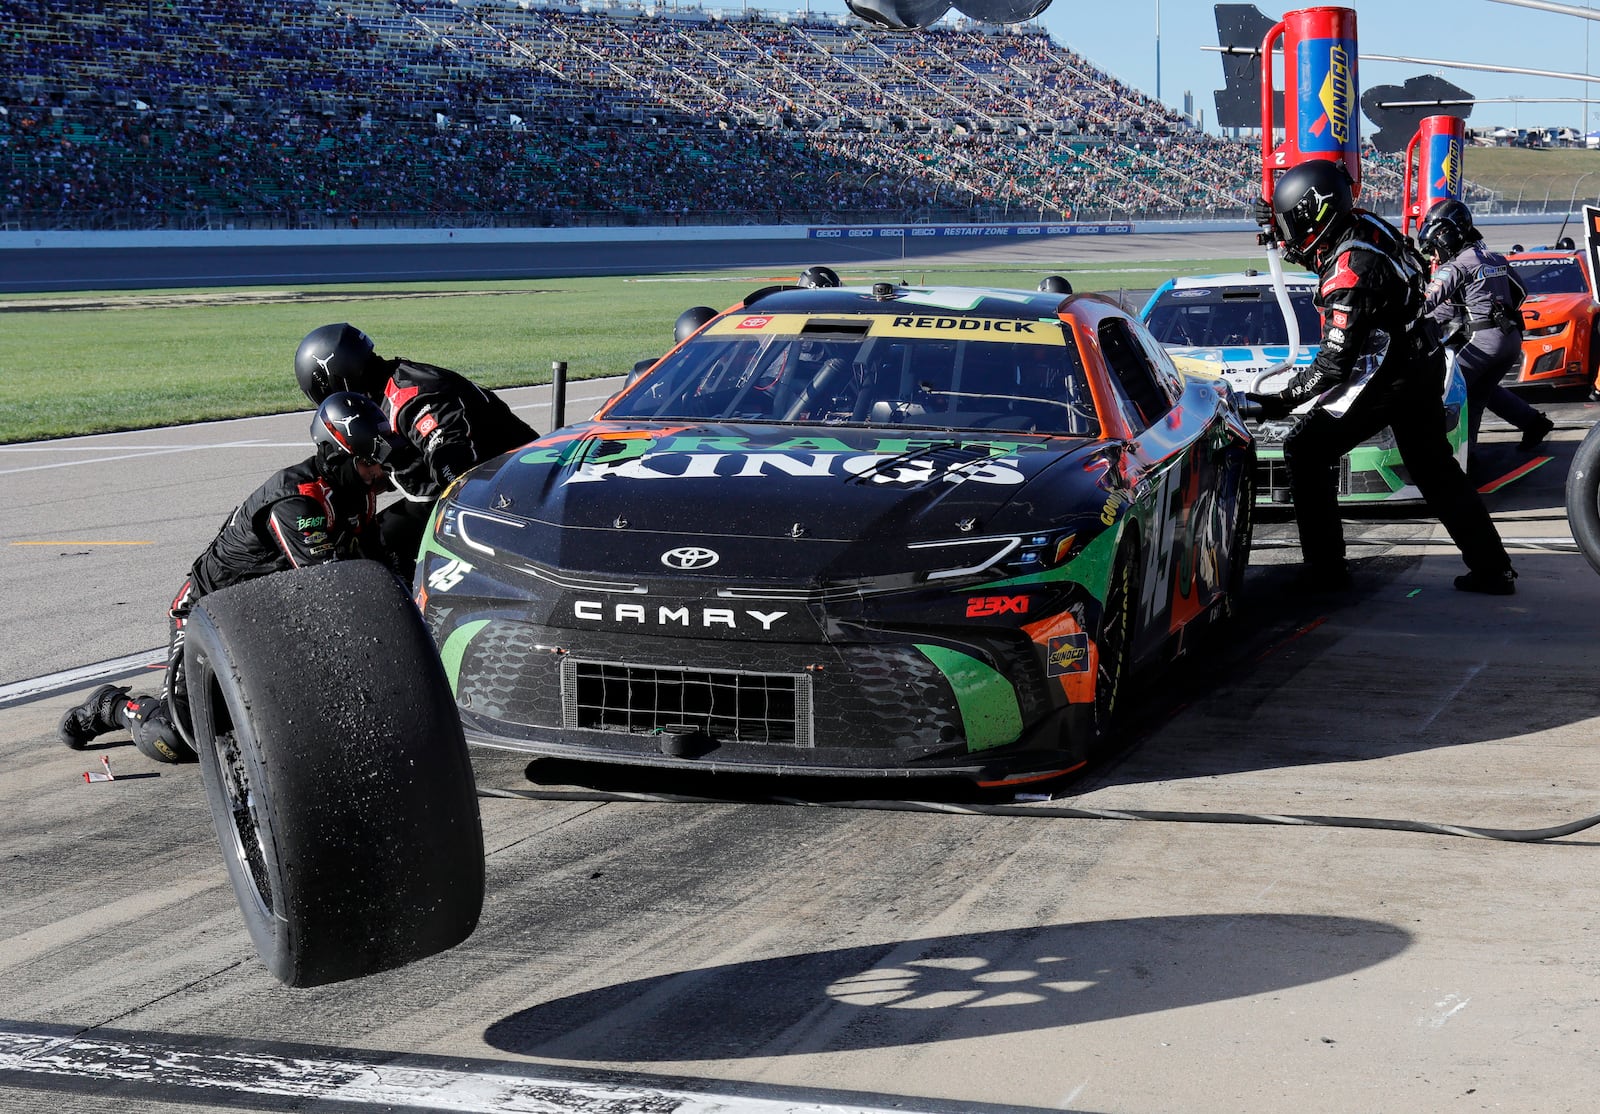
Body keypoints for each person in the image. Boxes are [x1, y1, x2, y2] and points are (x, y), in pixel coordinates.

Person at [58, 393, 401, 761]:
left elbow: (369, 562)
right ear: (337, 457)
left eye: (379, 461)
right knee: (176, 738)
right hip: (206, 613)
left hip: (265, 613)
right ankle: (111, 706)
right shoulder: (297, 502)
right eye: (369, 462)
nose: (379, 471)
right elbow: (326, 584)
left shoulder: (357, 492)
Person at [1246, 160, 1517, 596]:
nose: (1287, 231)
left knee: (1305, 448)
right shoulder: (1365, 224)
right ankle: (1493, 567)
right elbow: (1312, 252)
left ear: (1316, 213)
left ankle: (1326, 572)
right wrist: (1277, 232)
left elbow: (1333, 366)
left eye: (1291, 219)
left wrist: (1275, 402)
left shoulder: (1352, 268)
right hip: (1420, 358)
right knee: (1435, 468)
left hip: (1392, 372)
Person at [293, 323, 538, 580]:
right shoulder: (387, 391)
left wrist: (409, 461)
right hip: (493, 482)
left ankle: (413, 607)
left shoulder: (414, 397)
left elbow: (452, 462)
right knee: (365, 533)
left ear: (333, 378)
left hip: (509, 489)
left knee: (375, 544)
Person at [1417, 199, 1553, 458]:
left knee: (1446, 393)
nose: (1433, 256)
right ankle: (1534, 424)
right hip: (1511, 340)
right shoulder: (1494, 258)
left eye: (1433, 249)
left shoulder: (1456, 266)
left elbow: (1423, 303)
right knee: (1480, 393)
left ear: (1445, 237)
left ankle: (1446, 458)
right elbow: (1521, 292)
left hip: (1484, 341)